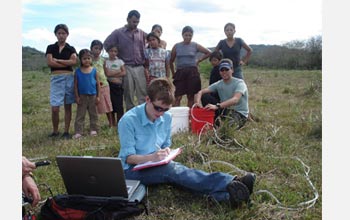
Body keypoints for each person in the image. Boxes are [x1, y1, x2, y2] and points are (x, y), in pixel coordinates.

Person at [117, 78, 255, 209]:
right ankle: (230, 183)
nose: (161, 114)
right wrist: (152, 158)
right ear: (147, 100)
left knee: (177, 173)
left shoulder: (166, 117)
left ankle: (228, 196)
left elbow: (165, 144)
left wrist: (166, 153)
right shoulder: (128, 120)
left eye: (166, 109)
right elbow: (128, 158)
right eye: (158, 108)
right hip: (131, 170)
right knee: (173, 171)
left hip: (155, 162)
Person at [103, 9, 147, 111]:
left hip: (140, 66)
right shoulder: (118, 33)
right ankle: (130, 117)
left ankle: (144, 116)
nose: (135, 24)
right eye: (133, 21)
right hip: (126, 66)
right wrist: (115, 58)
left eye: (137, 22)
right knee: (129, 94)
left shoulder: (141, 33)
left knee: (143, 93)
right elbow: (106, 44)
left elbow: (154, 39)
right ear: (127, 19)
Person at [194, 59, 249, 130]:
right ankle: (213, 121)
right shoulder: (219, 84)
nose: (224, 72)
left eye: (227, 69)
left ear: (232, 70)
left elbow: (235, 99)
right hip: (225, 110)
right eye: (222, 70)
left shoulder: (240, 83)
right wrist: (197, 103)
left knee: (226, 129)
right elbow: (200, 92)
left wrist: (217, 106)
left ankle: (220, 125)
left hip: (239, 113)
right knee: (205, 96)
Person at [45, 24, 77, 139]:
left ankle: (66, 132)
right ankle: (55, 131)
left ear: (67, 35)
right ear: (56, 34)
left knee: (67, 105)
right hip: (56, 78)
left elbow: (73, 62)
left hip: (69, 77)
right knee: (55, 108)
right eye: (59, 33)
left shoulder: (71, 48)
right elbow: (49, 63)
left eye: (63, 33)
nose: (61, 35)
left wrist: (57, 60)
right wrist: (66, 62)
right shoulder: (50, 47)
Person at [169, 26, 211, 108]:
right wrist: (174, 72)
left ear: (192, 35)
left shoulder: (195, 45)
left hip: (192, 72)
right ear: (182, 35)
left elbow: (209, 52)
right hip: (180, 72)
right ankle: (176, 116)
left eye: (190, 35)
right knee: (177, 96)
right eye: (186, 35)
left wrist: (199, 60)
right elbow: (171, 61)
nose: (188, 37)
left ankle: (189, 118)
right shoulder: (177, 46)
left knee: (191, 96)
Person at [73, 49, 100, 139]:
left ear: (91, 59)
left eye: (89, 58)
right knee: (80, 114)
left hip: (93, 95)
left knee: (93, 114)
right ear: (80, 59)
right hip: (82, 96)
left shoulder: (94, 71)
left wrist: (98, 96)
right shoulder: (77, 71)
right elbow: (75, 85)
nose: (87, 60)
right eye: (84, 58)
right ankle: (78, 132)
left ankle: (94, 129)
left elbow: (98, 84)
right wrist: (77, 96)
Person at [90, 40, 114, 128]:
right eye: (95, 48)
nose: (97, 51)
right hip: (92, 86)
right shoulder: (89, 60)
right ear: (91, 49)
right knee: (94, 106)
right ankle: (95, 125)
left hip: (104, 84)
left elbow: (106, 72)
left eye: (100, 49)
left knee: (108, 104)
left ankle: (111, 123)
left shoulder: (103, 60)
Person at [103, 44, 126, 125]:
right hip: (109, 86)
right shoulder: (106, 62)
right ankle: (112, 123)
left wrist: (112, 73)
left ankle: (120, 122)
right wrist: (118, 71)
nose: (113, 53)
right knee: (110, 105)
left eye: (115, 51)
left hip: (118, 86)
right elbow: (107, 74)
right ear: (108, 52)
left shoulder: (120, 61)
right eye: (111, 51)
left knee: (119, 105)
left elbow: (124, 72)